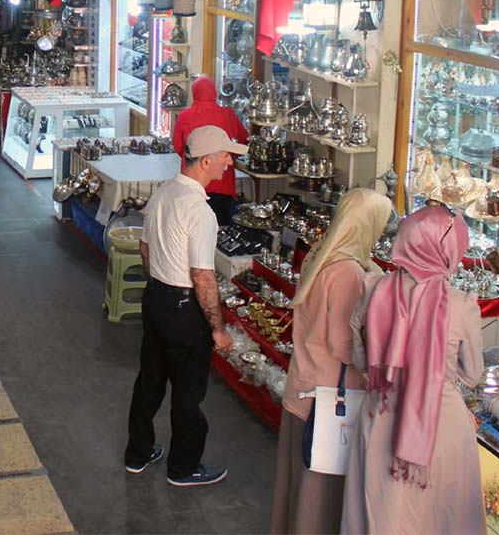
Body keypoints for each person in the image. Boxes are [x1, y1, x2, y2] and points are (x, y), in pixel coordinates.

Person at [340, 202, 485, 533]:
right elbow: (472, 375)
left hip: (381, 415)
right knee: (439, 518)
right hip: (440, 423)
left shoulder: (373, 288)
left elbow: (362, 360)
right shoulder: (462, 306)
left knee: (381, 513)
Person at [125, 124, 247, 488]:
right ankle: (183, 467)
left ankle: (139, 452)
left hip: (157, 299)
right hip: (183, 309)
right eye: (226, 156)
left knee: (149, 381)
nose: (230, 162)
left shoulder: (163, 194)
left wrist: (159, 287)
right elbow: (203, 276)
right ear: (207, 160)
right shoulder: (200, 212)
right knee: (188, 393)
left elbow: (145, 250)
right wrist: (217, 328)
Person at [270, 189, 391, 535]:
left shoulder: (322, 257)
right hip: (328, 399)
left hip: (303, 387)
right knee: (319, 495)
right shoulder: (349, 274)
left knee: (295, 483)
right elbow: (343, 345)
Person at [170, 75, 249, 225]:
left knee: (190, 225)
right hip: (222, 181)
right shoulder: (227, 114)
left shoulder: (184, 116)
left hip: (193, 179)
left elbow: (179, 147)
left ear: (195, 92)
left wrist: (194, 160)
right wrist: (228, 156)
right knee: (220, 228)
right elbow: (244, 138)